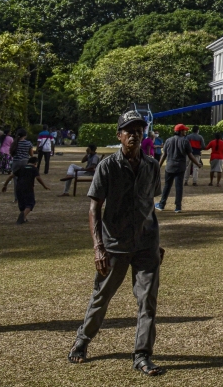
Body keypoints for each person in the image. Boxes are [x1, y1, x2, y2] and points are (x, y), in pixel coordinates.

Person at [69, 110, 166, 376]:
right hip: (114, 245)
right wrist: (98, 247)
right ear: (119, 135)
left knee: (148, 301)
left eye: (139, 131)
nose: (134, 135)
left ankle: (142, 355)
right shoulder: (107, 166)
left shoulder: (151, 166)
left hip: (146, 245)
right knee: (101, 296)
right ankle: (83, 340)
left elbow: (149, 206)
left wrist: (156, 242)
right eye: (129, 131)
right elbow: (94, 208)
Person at [155, 124, 192, 213]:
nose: (185, 131)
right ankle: (178, 207)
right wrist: (197, 163)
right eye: (184, 130)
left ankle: (161, 204)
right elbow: (190, 155)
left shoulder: (168, 140)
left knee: (167, 186)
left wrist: (158, 166)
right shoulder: (185, 141)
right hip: (180, 167)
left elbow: (164, 155)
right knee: (179, 187)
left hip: (169, 167)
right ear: (180, 131)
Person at [2, 155, 49, 223]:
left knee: (22, 203)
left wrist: (5, 185)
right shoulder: (34, 169)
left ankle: (24, 218)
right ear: (35, 163)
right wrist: (44, 186)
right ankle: (23, 215)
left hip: (18, 187)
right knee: (30, 203)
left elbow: (11, 176)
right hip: (28, 187)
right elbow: (38, 178)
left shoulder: (22, 168)